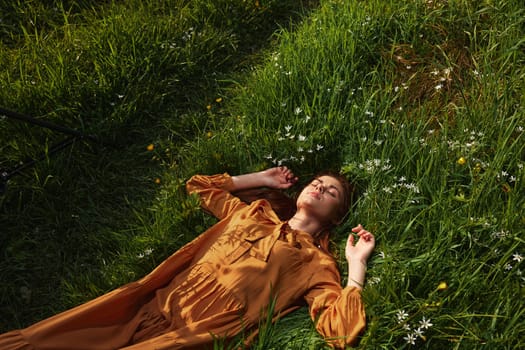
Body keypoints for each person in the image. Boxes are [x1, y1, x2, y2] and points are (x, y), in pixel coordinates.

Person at [0, 166, 375, 349]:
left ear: (336, 216)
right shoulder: (252, 212)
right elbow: (201, 186)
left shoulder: (316, 262)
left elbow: (340, 330)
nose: (318, 187)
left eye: (330, 192)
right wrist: (262, 178)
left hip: (195, 335)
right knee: (45, 340)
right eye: (316, 182)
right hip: (152, 303)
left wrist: (356, 266)